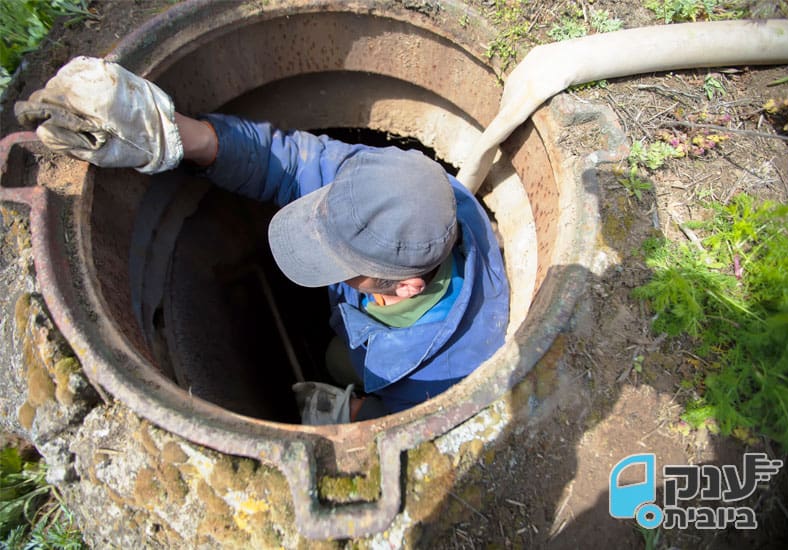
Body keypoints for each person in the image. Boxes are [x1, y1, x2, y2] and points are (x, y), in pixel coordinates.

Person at [14, 56, 510, 424]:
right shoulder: (392, 185)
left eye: (339, 264)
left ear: (405, 288)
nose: (322, 257)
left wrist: (353, 414)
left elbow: (410, 418)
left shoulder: (452, 366)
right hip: (365, 333)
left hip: (381, 360)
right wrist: (168, 134)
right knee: (341, 356)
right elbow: (291, 161)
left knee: (341, 363)